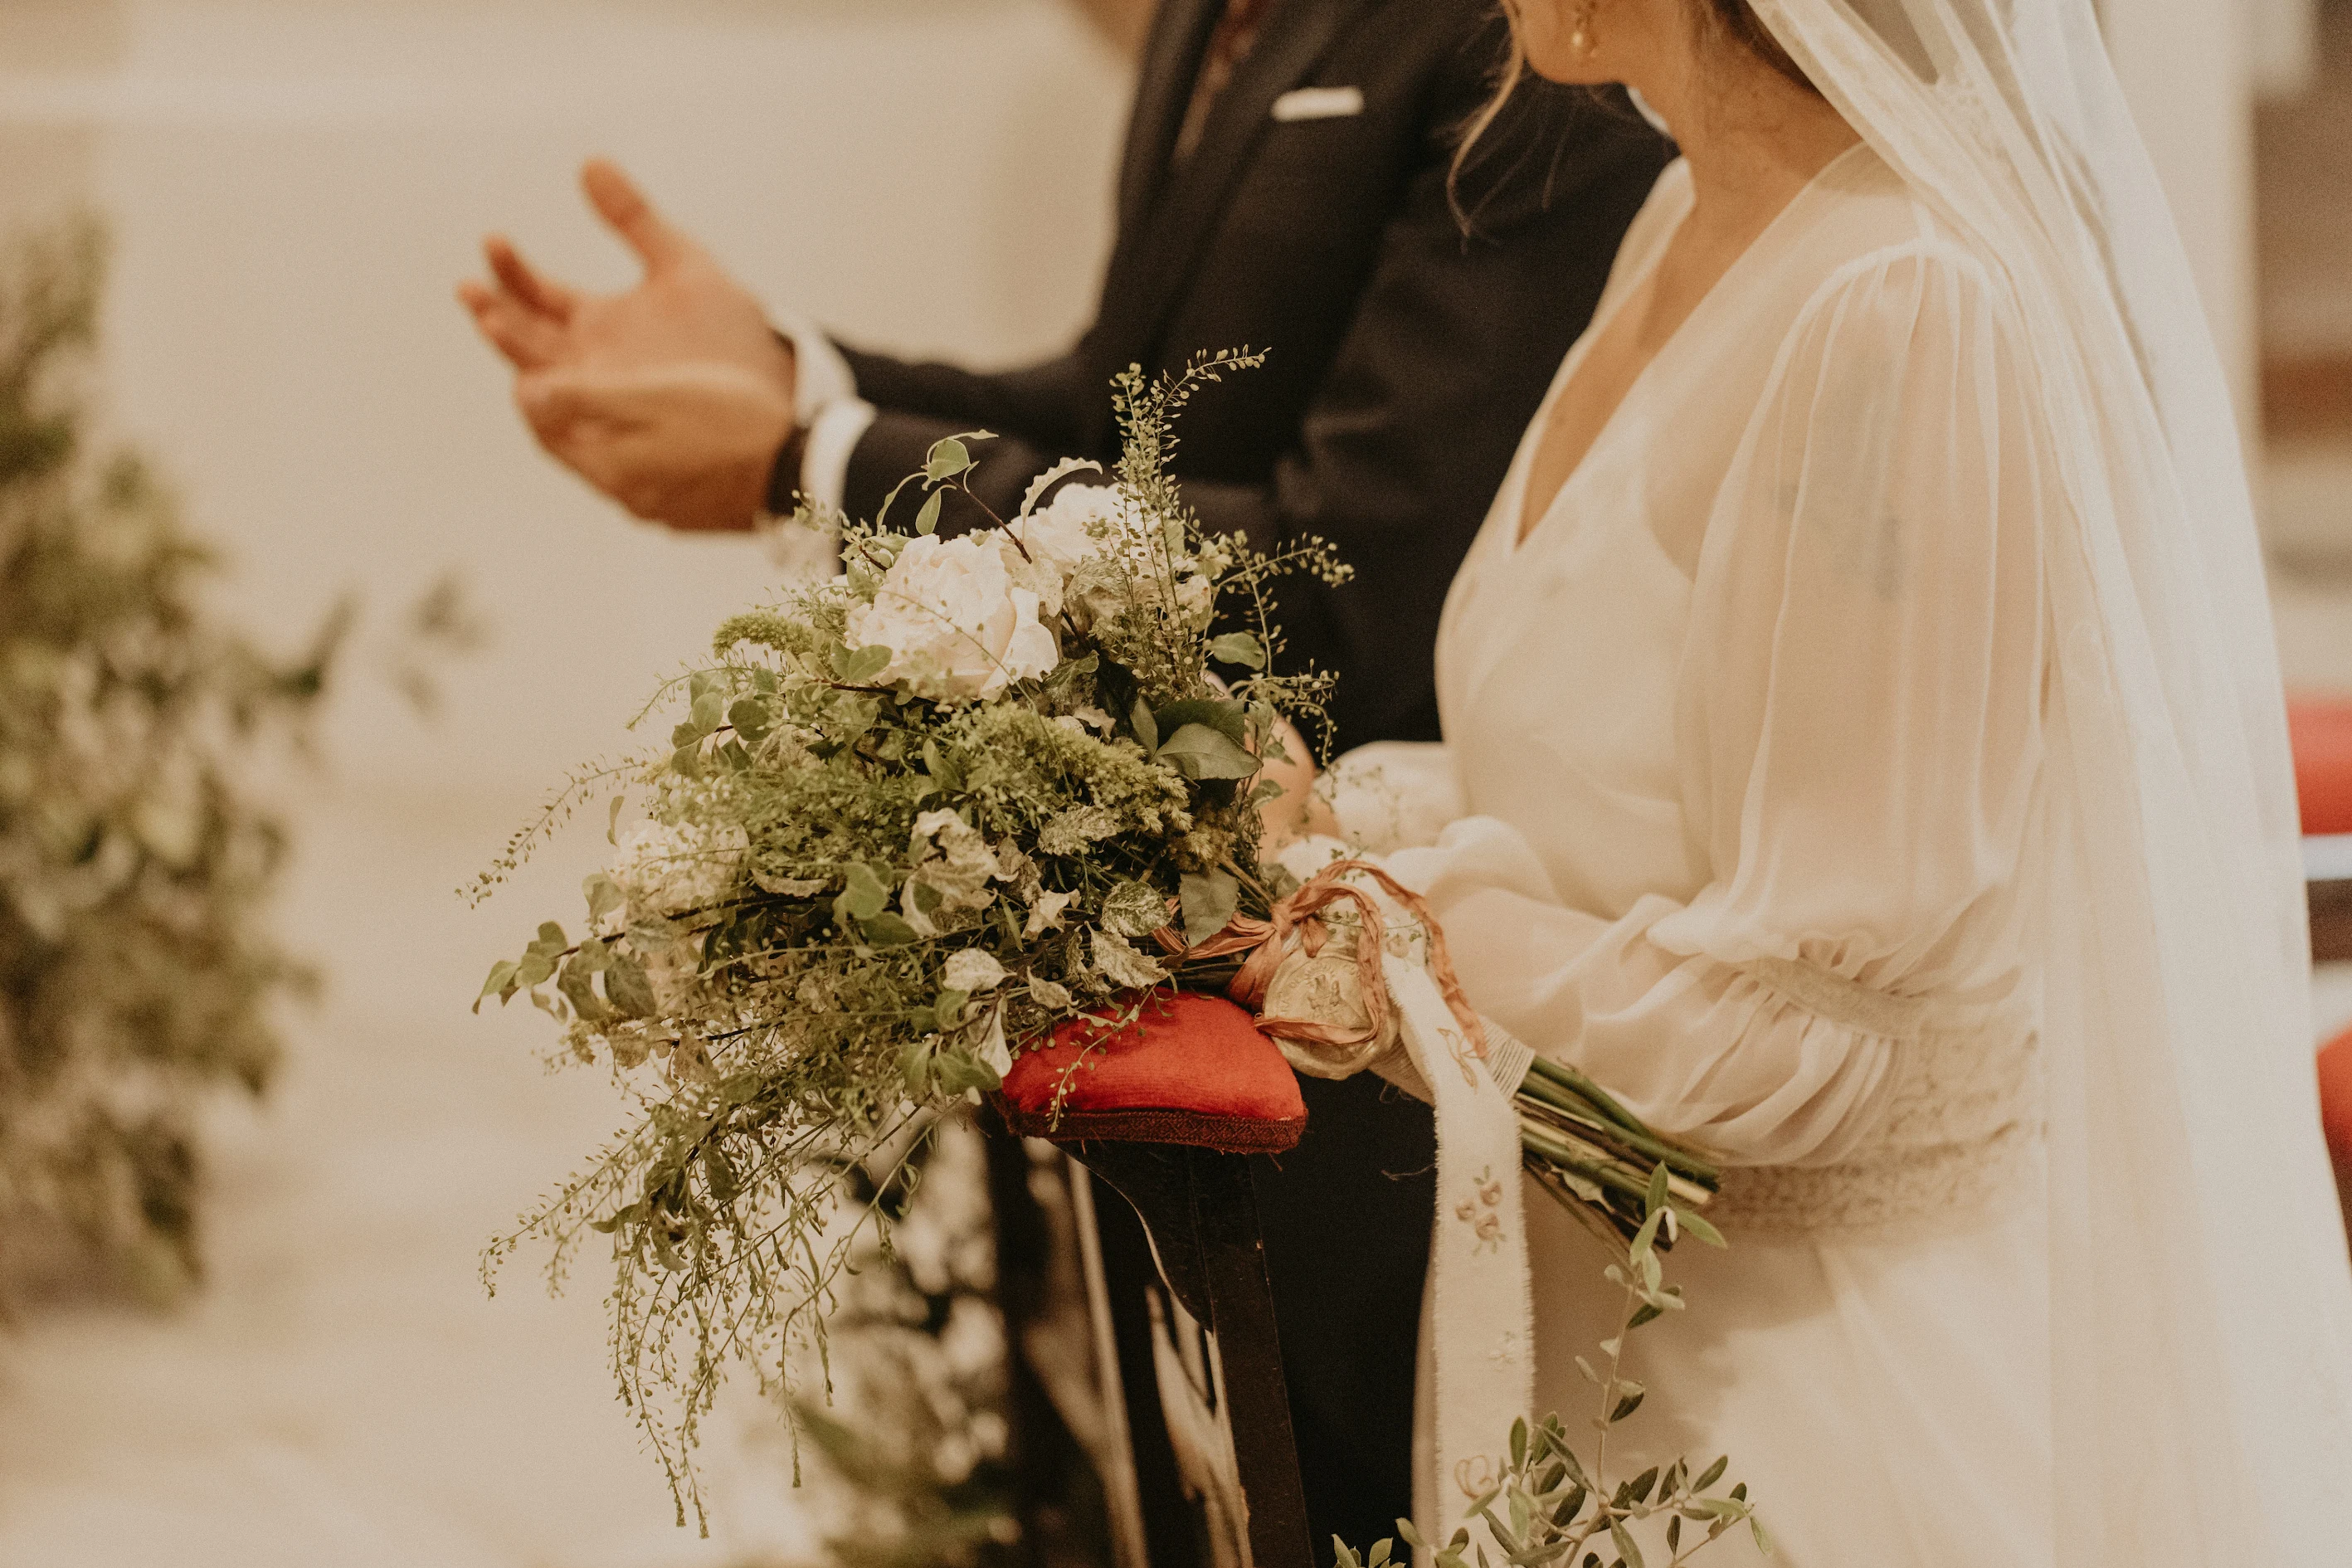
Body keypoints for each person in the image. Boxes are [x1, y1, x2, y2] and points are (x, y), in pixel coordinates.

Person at [458, 2, 1672, 1557]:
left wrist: (816, 455)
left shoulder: (1539, 40)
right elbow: (1127, 406)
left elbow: (1344, 577)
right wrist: (789, 372)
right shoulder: (1216, 19)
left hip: (1391, 1012)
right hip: (1208, 946)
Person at [1262, 0, 2352, 1561]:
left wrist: (1374, 933)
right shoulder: (1679, 215)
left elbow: (1814, 1037)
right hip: (1616, 1355)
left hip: (1818, 1419)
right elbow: (1629, 794)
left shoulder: (1904, 303)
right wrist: (1340, 824)